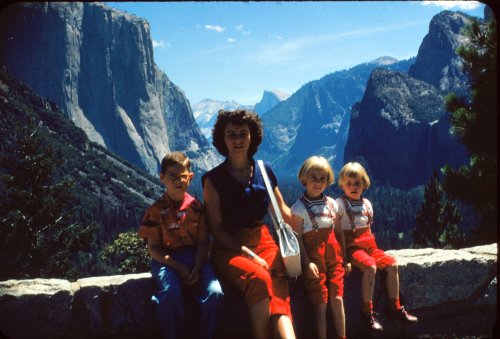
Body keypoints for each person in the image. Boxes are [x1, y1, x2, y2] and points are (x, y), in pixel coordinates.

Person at [202, 109, 296, 339]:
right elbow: (216, 228)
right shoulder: (213, 180)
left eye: (243, 133)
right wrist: (244, 251)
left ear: (252, 136)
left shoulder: (264, 170)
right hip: (230, 247)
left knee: (279, 288)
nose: (237, 140)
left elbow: (282, 211)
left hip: (264, 241)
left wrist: (309, 243)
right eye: (231, 134)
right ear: (222, 139)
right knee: (259, 278)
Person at [138, 151, 223, 339]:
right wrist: (178, 266)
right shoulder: (155, 211)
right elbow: (154, 249)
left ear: (190, 178)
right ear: (162, 178)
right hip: (166, 260)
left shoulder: (197, 209)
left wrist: (198, 267)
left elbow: (203, 242)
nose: (178, 181)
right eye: (172, 176)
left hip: (196, 257)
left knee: (215, 292)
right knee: (170, 293)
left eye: (182, 176)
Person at [336, 162, 418, 332]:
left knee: (392, 264)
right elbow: (337, 234)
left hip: (370, 246)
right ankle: (367, 312)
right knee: (370, 267)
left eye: (357, 183)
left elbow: (369, 228)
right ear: (342, 185)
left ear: (364, 184)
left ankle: (394, 306)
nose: (353, 187)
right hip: (353, 248)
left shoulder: (367, 204)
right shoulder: (339, 204)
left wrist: (374, 250)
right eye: (349, 183)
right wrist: (343, 259)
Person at [290, 156, 348, 339]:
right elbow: (297, 239)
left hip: (334, 259)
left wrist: (345, 259)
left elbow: (339, 233)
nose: (318, 183)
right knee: (321, 302)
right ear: (304, 179)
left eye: (322, 178)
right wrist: (306, 264)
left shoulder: (332, 204)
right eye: (313, 178)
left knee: (337, 298)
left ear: (328, 180)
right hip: (314, 262)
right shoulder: (298, 209)